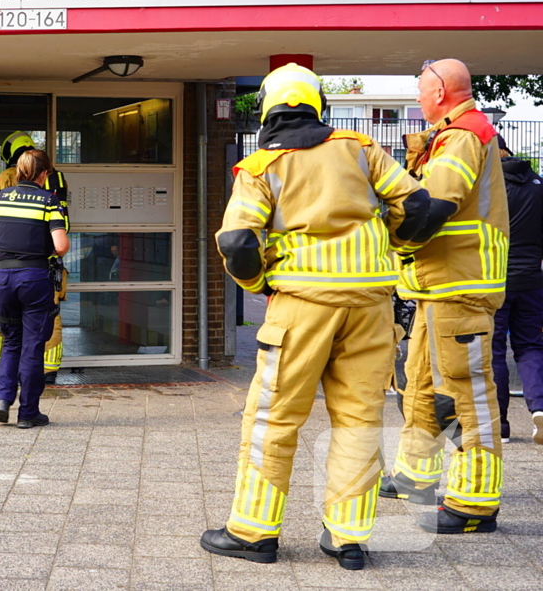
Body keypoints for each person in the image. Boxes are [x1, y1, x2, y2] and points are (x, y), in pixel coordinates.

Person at [200, 63, 432, 570]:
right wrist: (394, 248)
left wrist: (259, 284)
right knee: (359, 419)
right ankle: (348, 539)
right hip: (371, 306)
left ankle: (254, 532)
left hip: (300, 308)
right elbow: (418, 207)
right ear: (317, 106)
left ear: (267, 108)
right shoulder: (362, 148)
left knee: (274, 419)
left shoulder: (262, 167)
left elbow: (238, 241)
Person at [381, 59, 509, 535]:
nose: (417, 100)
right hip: (440, 288)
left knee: (468, 395)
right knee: (418, 384)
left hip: (461, 286)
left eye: (420, 91)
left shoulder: (462, 135)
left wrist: (394, 237)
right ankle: (415, 476)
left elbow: (434, 206)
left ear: (439, 92)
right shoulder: (453, 133)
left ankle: (476, 504)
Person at [0, 149, 69, 428]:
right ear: (45, 174)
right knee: (33, 346)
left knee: (12, 341)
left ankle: (2, 401)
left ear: (19, 171)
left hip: (1, 279)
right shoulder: (49, 200)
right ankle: (28, 414)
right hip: (34, 279)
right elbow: (60, 246)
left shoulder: (0, 198)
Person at [0, 132, 69, 384]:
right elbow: (61, 230)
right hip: (47, 262)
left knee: (5, 316)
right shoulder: (56, 178)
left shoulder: (5, 180)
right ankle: (47, 370)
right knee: (49, 315)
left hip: (9, 263)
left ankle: (5, 370)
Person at [490, 136, 543, 443]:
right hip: (533, 281)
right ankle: (539, 409)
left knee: (495, 350)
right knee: (531, 346)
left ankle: (500, 427)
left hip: (496, 281)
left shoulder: (490, 187)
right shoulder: (538, 183)